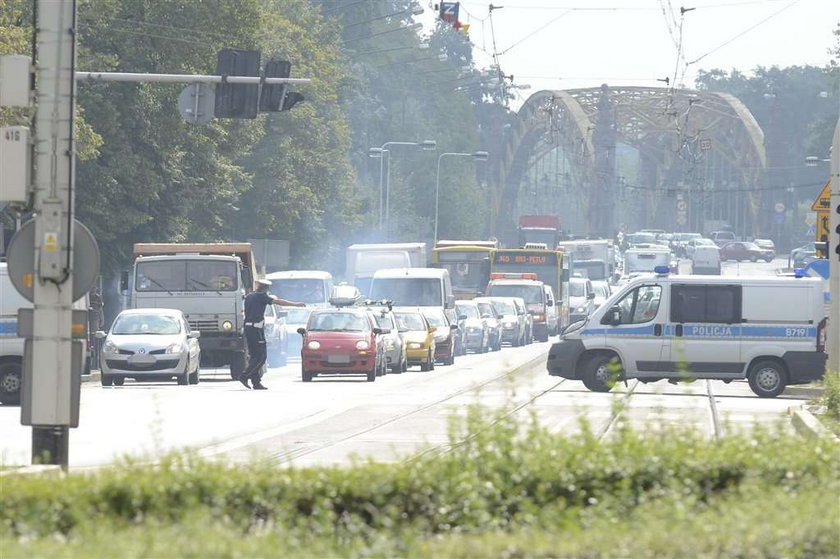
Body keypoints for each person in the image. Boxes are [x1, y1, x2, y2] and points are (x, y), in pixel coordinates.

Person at [241, 279, 304, 390]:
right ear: (265, 288)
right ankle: (244, 375)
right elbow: (278, 302)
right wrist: (296, 304)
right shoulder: (262, 296)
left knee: (254, 356)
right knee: (261, 356)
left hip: (248, 328)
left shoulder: (249, 296)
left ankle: (256, 382)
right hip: (256, 329)